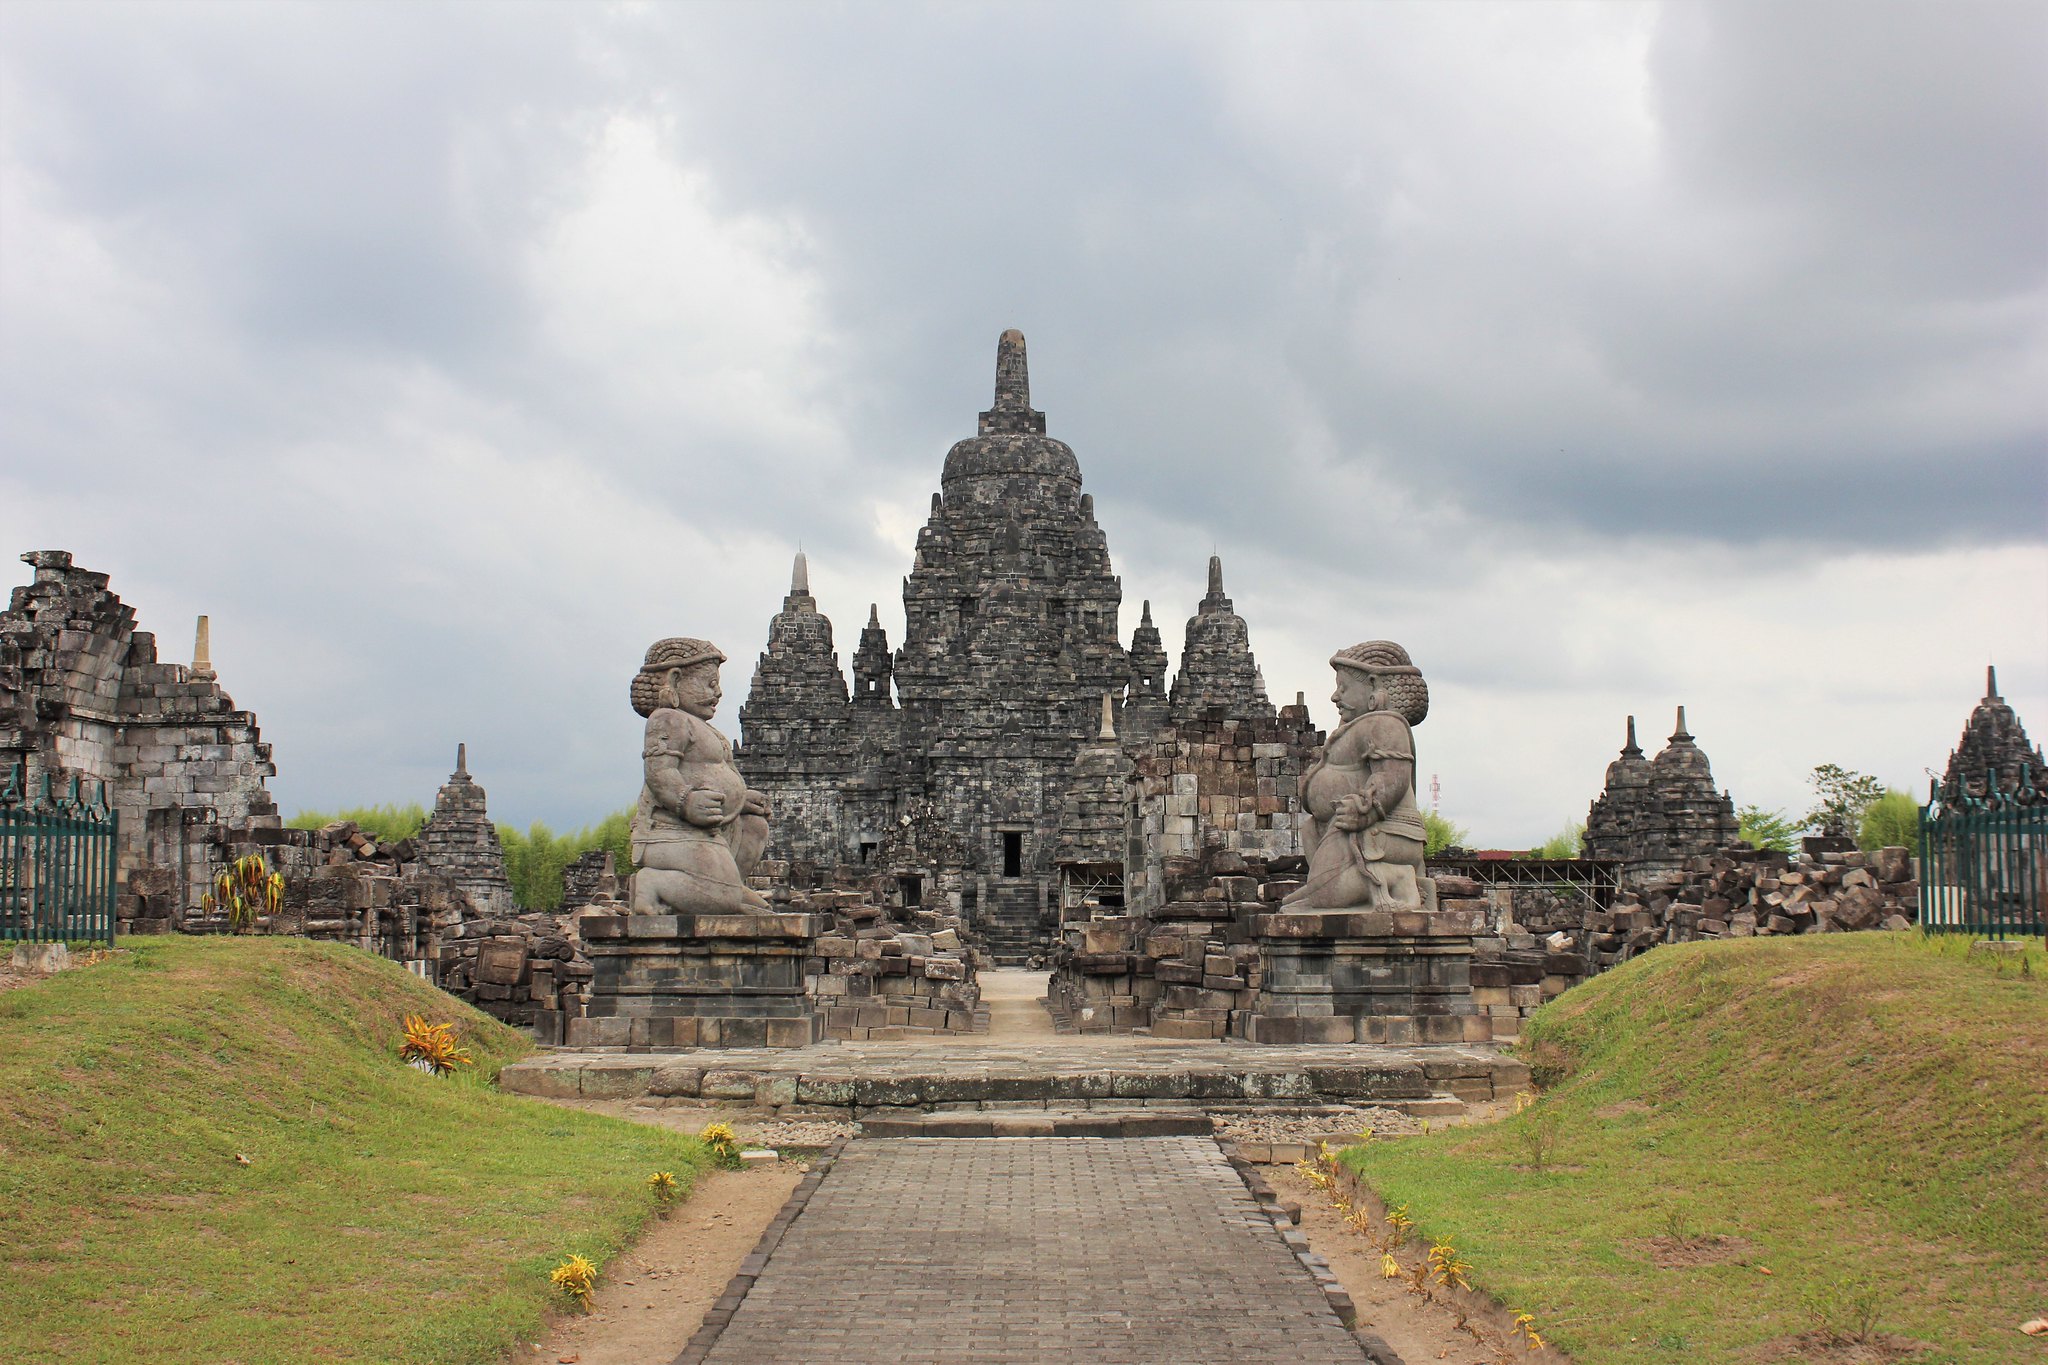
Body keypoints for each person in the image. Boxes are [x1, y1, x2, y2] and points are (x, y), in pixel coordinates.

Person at [1282, 641, 1430, 912]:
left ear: (1373, 686)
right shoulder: (1356, 728)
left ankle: (1398, 879)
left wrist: (1367, 810)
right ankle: (1327, 888)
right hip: (1342, 829)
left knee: (1325, 895)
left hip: (1385, 831)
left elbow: (1392, 778)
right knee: (1304, 878)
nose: (1335, 697)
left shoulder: (1386, 724)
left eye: (1344, 687)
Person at [628, 638, 772, 914]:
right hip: (672, 832)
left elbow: (711, 773)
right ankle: (654, 883)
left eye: (717, 684)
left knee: (755, 825)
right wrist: (686, 800)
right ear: (676, 679)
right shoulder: (666, 719)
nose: (717, 693)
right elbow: (659, 773)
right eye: (709, 683)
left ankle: (728, 886)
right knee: (722, 896)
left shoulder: (704, 728)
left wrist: (740, 799)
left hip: (712, 831)